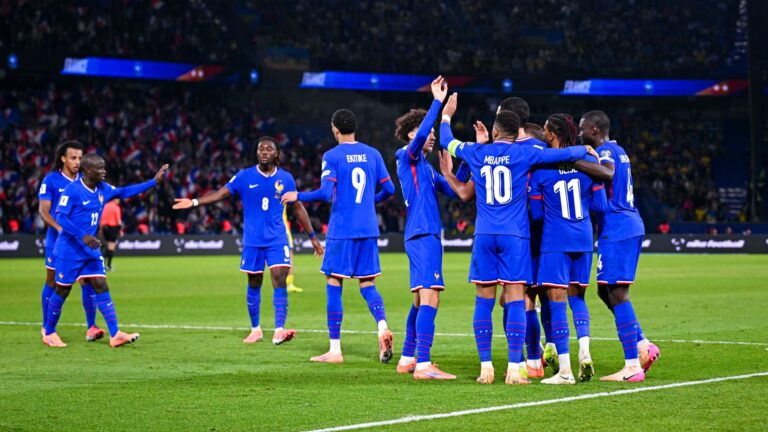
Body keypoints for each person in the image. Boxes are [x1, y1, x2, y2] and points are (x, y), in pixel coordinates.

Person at [440, 93, 598, 385]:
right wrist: (583, 148)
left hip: (485, 234)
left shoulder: (476, 151)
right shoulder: (526, 153)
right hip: (516, 236)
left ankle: (486, 368)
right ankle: (515, 368)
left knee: (483, 301)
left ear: (496, 131)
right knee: (516, 298)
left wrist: (447, 114)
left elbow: (446, 140)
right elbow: (561, 154)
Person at [174, 137, 323, 345]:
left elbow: (297, 208)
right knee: (254, 282)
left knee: (279, 277)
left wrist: (313, 238)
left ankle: (279, 329)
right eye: (260, 148)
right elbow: (220, 194)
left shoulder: (286, 179)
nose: (263, 151)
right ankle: (256, 330)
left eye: (269, 149)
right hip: (253, 241)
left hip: (277, 240)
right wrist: (194, 201)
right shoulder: (245, 176)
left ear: (276, 154)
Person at [281, 109, 396, 364]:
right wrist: (370, 202)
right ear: (355, 128)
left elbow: (324, 194)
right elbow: (389, 189)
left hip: (342, 229)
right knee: (368, 284)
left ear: (335, 129)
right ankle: (382, 326)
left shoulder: (332, 156)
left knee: (334, 284)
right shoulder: (373, 153)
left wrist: (297, 195)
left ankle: (335, 350)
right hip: (368, 228)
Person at [42, 154, 168, 348]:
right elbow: (61, 217)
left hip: (90, 250)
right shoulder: (72, 190)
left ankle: (115, 333)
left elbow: (125, 191)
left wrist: (153, 182)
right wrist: (82, 235)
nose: (104, 171)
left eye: (104, 168)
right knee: (63, 289)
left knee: (100, 283)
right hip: (70, 250)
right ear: (88, 171)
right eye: (100, 169)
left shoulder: (103, 189)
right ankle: (49, 333)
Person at [578, 110, 660, 382]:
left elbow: (608, 174)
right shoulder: (619, 149)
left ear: (593, 129)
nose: (579, 133)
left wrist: (575, 160)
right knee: (605, 291)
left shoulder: (608, 153)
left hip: (618, 228)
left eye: (582, 128)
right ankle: (642, 345)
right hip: (622, 226)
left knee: (618, 294)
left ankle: (632, 366)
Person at [528, 113, 608, 384]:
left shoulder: (541, 170)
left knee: (557, 302)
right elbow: (600, 207)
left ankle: (565, 371)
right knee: (578, 299)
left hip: (555, 241)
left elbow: (536, 215)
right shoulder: (588, 164)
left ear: (550, 135)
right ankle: (584, 352)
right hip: (584, 239)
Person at [392, 76, 457, 379]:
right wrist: (438, 104)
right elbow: (418, 142)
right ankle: (424, 364)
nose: (431, 136)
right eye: (426, 131)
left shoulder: (427, 169)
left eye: (433, 131)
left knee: (420, 298)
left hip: (422, 234)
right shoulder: (406, 156)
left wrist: (460, 166)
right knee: (431, 296)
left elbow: (457, 189)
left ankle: (408, 358)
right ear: (409, 135)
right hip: (422, 234)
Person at [37, 141, 105, 342]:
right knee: (53, 281)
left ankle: (91, 326)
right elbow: (43, 211)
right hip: (57, 242)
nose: (77, 162)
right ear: (63, 159)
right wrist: (60, 229)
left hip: (81, 242)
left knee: (89, 280)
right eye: (73, 158)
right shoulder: (51, 180)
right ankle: (47, 327)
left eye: (80, 158)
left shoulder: (86, 181)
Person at [100, 198, 121, 271]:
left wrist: (100, 229)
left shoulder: (105, 206)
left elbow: (101, 218)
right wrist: (119, 230)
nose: (119, 200)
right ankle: (108, 266)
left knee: (108, 245)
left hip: (104, 228)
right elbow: (118, 220)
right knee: (111, 247)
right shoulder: (116, 207)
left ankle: (103, 265)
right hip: (113, 228)